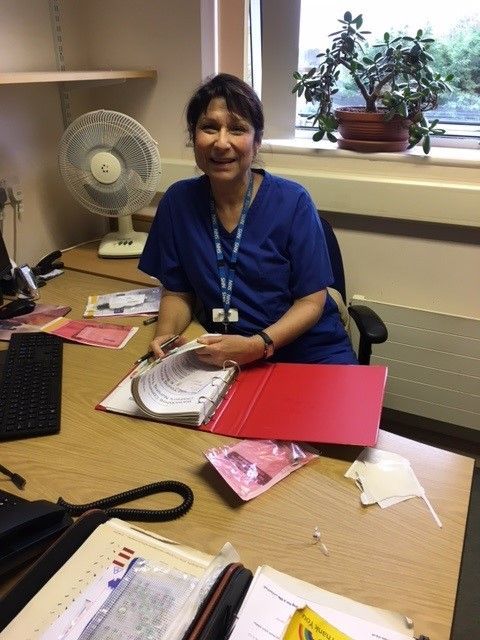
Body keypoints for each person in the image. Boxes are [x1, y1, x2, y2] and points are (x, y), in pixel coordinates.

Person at [139, 73, 357, 366]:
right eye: (209, 128)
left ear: (257, 141)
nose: (221, 142)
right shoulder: (177, 203)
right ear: (193, 136)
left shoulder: (293, 202)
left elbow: (311, 302)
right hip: (228, 356)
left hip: (310, 353)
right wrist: (166, 336)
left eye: (238, 129)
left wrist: (258, 345)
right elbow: (178, 292)